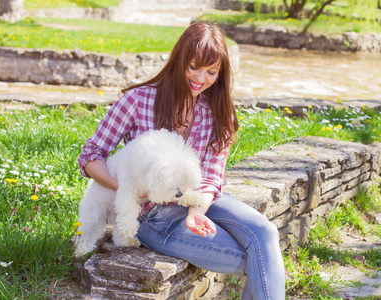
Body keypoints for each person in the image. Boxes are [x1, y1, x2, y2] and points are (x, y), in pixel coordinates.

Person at [78, 22, 285, 299]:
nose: (201, 78)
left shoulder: (214, 111)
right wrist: (124, 187)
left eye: (211, 72)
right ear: (178, 61)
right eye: (194, 67)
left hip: (198, 198)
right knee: (261, 260)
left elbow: (212, 175)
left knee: (266, 233)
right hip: (150, 213)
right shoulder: (138, 99)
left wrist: (196, 211)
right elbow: (91, 155)